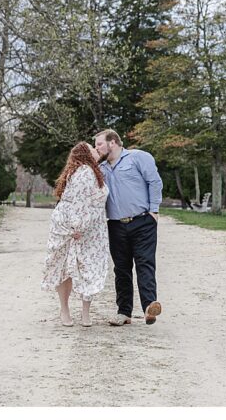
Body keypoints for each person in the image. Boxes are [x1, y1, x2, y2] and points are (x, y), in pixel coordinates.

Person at [94, 129, 163, 326]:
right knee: (121, 269)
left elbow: (154, 182)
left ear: (113, 142)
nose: (97, 148)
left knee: (145, 263)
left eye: (99, 144)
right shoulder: (101, 168)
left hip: (142, 221)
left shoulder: (138, 157)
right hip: (115, 224)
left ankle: (150, 306)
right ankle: (124, 312)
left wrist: (154, 211)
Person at [41, 141, 110, 327]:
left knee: (86, 266)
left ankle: (84, 313)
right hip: (76, 227)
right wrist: (78, 227)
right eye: (92, 149)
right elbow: (80, 203)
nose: (97, 150)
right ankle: (66, 311)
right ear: (85, 154)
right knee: (69, 266)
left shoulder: (91, 171)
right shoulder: (84, 172)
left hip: (89, 227)